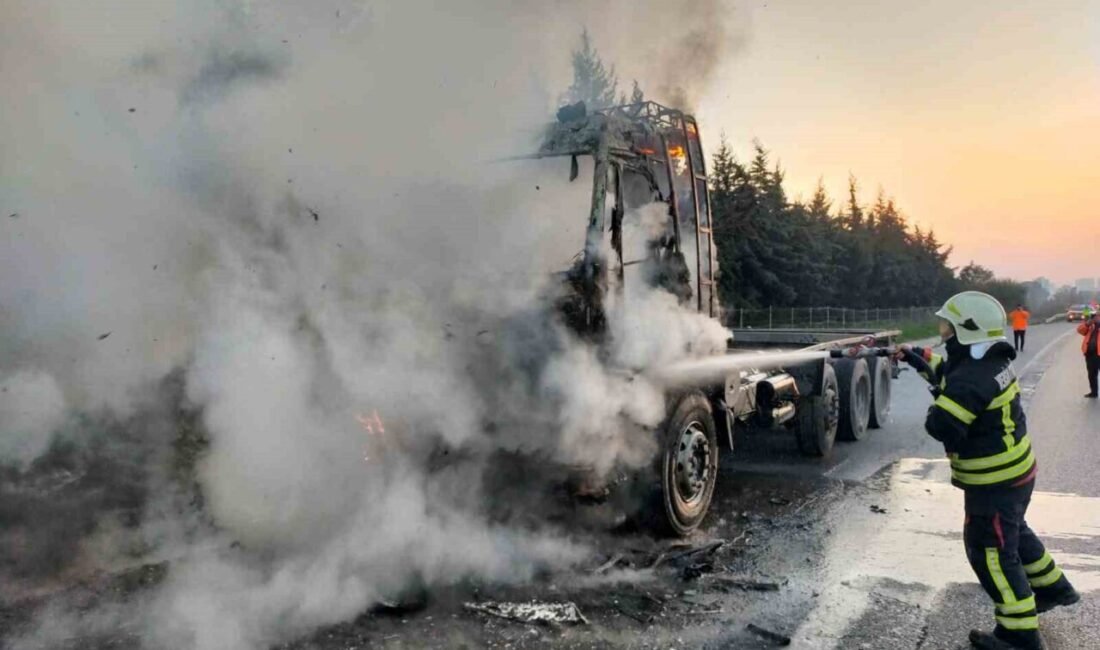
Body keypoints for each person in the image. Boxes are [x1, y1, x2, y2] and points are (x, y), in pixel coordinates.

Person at [897, 291, 1079, 650]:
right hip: (1016, 474)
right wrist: (919, 359)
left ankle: (1019, 634)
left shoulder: (971, 379)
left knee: (990, 552)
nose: (942, 331)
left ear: (966, 331)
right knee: (1015, 534)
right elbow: (953, 374)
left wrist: (936, 405)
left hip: (993, 482)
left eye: (947, 326)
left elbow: (944, 424)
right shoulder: (990, 360)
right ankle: (1053, 587)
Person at [1078, 309, 1100, 398]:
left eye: (1098, 316)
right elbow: (1080, 330)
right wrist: (1088, 323)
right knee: (1091, 375)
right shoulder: (1091, 326)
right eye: (1095, 317)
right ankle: (1094, 392)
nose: (1096, 318)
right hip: (1090, 354)